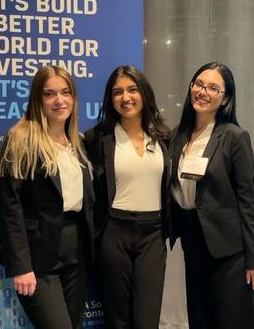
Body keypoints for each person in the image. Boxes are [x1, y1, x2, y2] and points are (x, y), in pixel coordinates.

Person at [0, 65, 94, 329]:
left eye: (65, 92)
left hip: (77, 255)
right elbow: (9, 208)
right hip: (37, 259)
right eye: (49, 94)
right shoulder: (20, 140)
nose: (59, 100)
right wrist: (21, 266)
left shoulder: (79, 143)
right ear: (38, 99)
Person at [169, 62, 254, 329]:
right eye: (199, 84)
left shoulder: (234, 137)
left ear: (225, 99)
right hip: (194, 242)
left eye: (213, 88)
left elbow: (249, 200)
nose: (203, 91)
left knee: (234, 321)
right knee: (201, 319)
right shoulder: (178, 137)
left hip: (230, 251)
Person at [84, 65, 171, 329]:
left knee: (147, 320)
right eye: (117, 92)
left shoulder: (164, 137)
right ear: (110, 99)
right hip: (113, 234)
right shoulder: (96, 139)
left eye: (132, 89)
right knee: (118, 320)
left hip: (153, 235)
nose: (126, 97)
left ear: (144, 93)